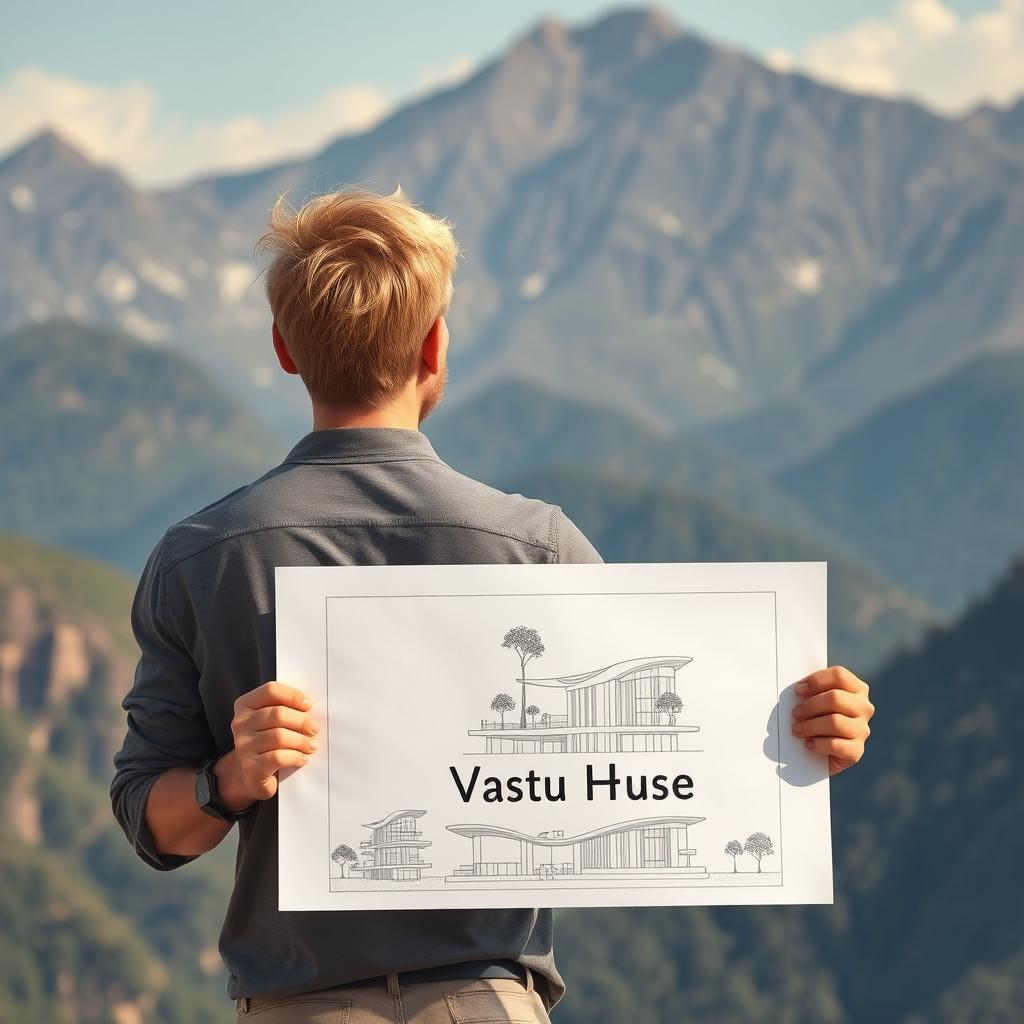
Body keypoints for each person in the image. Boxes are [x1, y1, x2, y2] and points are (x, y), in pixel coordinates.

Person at [110, 185, 874, 1024]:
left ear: (283, 350)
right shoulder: (538, 547)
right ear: (435, 347)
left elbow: (155, 824)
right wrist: (811, 729)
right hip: (487, 1001)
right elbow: (668, 743)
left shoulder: (200, 560)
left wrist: (227, 781)